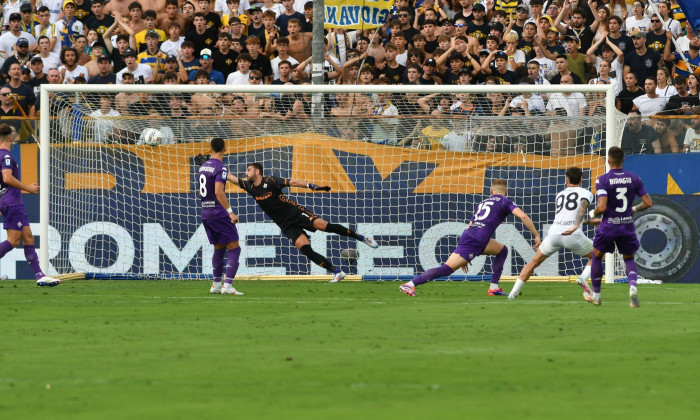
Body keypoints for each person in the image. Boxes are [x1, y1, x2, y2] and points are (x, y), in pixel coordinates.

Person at [226, 162, 379, 283]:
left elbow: (291, 182)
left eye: (249, 170)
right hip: (285, 224)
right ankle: (337, 272)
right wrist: (213, 165)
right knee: (305, 249)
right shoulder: (249, 187)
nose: (246, 173)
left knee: (325, 226)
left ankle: (362, 238)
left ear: (257, 172)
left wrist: (309, 185)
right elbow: (231, 178)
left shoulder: (270, 181)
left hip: (295, 213)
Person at [399, 179, 541, 297]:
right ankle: (410, 284)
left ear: (491, 191)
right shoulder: (505, 201)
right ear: (506, 192)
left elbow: (470, 225)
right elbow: (522, 216)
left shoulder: (482, 203)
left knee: (502, 250)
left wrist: (464, 253)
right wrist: (535, 235)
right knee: (447, 269)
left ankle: (494, 288)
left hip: (473, 236)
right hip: (476, 240)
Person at [508, 167, 595, 301]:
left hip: (554, 234)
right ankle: (583, 278)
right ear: (581, 179)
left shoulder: (559, 195)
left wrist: (588, 221)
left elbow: (567, 216)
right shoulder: (586, 193)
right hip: (573, 235)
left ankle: (512, 294)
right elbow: (582, 207)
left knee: (533, 262)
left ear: (566, 179)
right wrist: (577, 225)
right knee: (599, 254)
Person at [588, 146, 653, 307]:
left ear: (608, 161)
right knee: (629, 258)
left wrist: (591, 214)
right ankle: (632, 289)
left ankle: (596, 295)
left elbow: (602, 207)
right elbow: (648, 203)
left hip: (609, 226)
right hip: (626, 225)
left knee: (596, 256)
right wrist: (633, 209)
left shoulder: (602, 180)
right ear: (623, 159)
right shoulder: (634, 178)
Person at [0, 123, 61, 286]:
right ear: (11, 138)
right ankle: (40, 275)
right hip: (13, 202)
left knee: (28, 237)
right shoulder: (6, 156)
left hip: (9, 201)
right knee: (13, 242)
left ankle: (40, 275)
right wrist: (28, 187)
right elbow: (6, 178)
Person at [197, 138, 243, 295]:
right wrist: (230, 212)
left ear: (210, 149)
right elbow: (218, 191)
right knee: (234, 247)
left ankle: (216, 284)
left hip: (206, 212)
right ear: (225, 149)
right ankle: (228, 286)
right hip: (218, 213)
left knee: (219, 247)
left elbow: (201, 192)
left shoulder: (203, 167)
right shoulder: (221, 168)